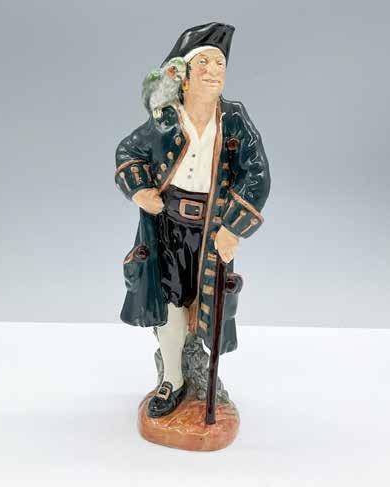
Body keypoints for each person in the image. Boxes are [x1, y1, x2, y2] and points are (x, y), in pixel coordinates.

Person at [115, 22, 271, 418]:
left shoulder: (233, 118)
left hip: (213, 230)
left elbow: (257, 173)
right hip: (168, 229)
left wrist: (233, 229)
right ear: (183, 75)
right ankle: (173, 378)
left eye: (220, 64)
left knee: (209, 303)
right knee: (168, 303)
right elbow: (129, 151)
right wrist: (141, 190)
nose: (214, 71)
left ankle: (203, 378)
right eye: (204, 63)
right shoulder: (166, 118)